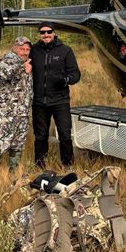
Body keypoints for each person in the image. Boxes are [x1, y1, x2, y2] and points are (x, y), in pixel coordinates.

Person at [31, 22, 81, 168]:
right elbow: (19, 55)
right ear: (39, 34)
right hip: (39, 101)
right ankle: (40, 164)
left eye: (48, 32)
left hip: (60, 101)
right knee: (40, 135)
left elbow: (76, 74)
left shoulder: (65, 50)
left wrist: (66, 80)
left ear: (54, 32)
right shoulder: (34, 50)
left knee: (65, 134)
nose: (45, 35)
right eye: (42, 32)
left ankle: (67, 165)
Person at [0, 36, 33, 182]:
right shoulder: (6, 62)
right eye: (21, 49)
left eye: (27, 49)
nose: (24, 52)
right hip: (6, 115)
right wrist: (22, 67)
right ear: (14, 48)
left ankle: (14, 178)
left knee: (17, 146)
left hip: (22, 114)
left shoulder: (26, 62)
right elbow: (4, 75)